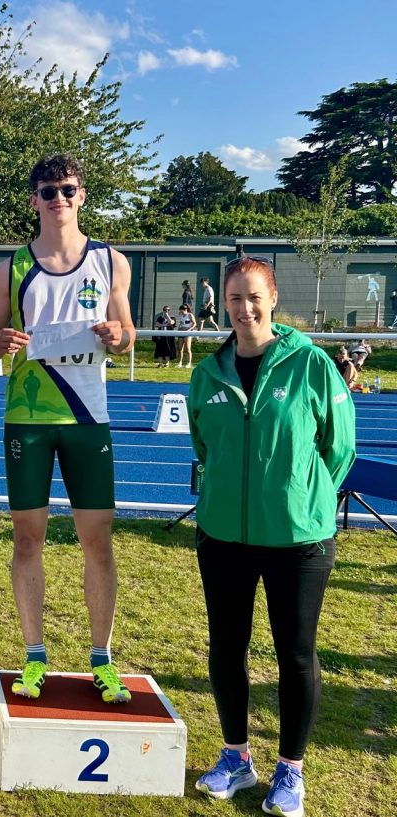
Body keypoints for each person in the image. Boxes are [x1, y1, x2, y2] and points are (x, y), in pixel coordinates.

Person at [188, 255, 355, 816]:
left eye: (254, 296)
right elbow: (203, 446)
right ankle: (236, 756)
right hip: (224, 538)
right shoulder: (207, 371)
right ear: (224, 303)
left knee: (296, 655)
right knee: (226, 649)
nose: (244, 307)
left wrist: (299, 499)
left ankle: (291, 770)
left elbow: (340, 447)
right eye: (234, 298)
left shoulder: (310, 365)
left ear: (273, 299)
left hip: (297, 541)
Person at [0, 153, 136, 704]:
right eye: (48, 191)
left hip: (89, 419)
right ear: (34, 200)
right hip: (28, 418)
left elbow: (128, 333)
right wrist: (0, 343)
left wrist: (117, 335)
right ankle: (34, 655)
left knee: (97, 540)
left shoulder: (112, 261)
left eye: (68, 189)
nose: (59, 199)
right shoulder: (11, 267)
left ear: (82, 195)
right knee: (28, 538)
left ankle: (102, 658)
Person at [177, 303, 196, 368]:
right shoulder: (181, 316)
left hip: (187, 332)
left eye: (180, 310)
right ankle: (180, 363)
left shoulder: (190, 315)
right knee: (180, 349)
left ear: (184, 309)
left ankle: (189, 363)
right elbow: (181, 323)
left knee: (187, 349)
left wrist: (189, 329)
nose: (180, 312)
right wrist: (179, 328)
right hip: (181, 332)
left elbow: (194, 323)